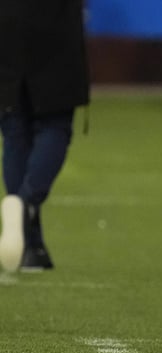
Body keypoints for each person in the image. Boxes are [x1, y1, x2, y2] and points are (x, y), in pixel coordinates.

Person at [0, 0, 90, 272]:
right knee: (54, 124)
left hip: (7, 24)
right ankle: (25, 204)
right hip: (54, 27)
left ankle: (31, 247)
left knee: (14, 130)